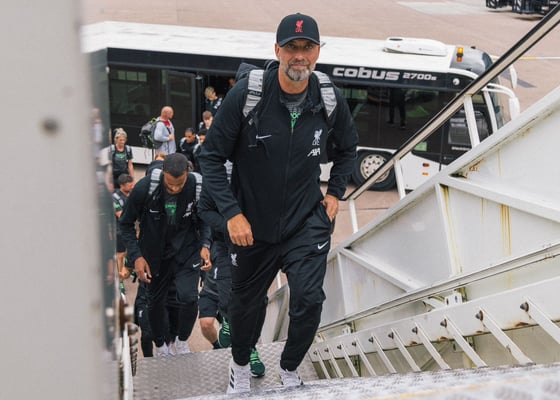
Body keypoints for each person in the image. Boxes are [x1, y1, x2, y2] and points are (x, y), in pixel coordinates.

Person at [198, 13, 358, 394]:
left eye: (307, 47)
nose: (299, 55)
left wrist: (334, 193)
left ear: (317, 52)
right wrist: (232, 214)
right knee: (245, 306)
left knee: (309, 299)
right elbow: (211, 157)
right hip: (251, 227)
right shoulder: (248, 96)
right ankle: (239, 365)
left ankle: (289, 368)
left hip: (305, 222)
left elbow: (349, 149)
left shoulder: (328, 98)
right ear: (277, 51)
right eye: (291, 47)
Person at [120, 153, 213, 357]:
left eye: (180, 184)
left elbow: (205, 219)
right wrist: (136, 257)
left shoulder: (198, 186)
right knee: (155, 301)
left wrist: (205, 244)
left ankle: (181, 341)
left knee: (189, 298)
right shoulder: (145, 188)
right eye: (170, 184)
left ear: (188, 173)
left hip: (186, 251)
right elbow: (125, 224)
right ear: (163, 173)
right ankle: (160, 344)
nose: (175, 189)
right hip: (154, 255)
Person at [112, 173, 135, 280]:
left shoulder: (132, 194)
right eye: (130, 185)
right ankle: (119, 277)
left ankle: (127, 270)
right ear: (122, 185)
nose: (132, 186)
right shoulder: (115, 198)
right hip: (119, 230)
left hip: (132, 228)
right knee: (120, 254)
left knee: (130, 251)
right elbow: (120, 215)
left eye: (132, 184)